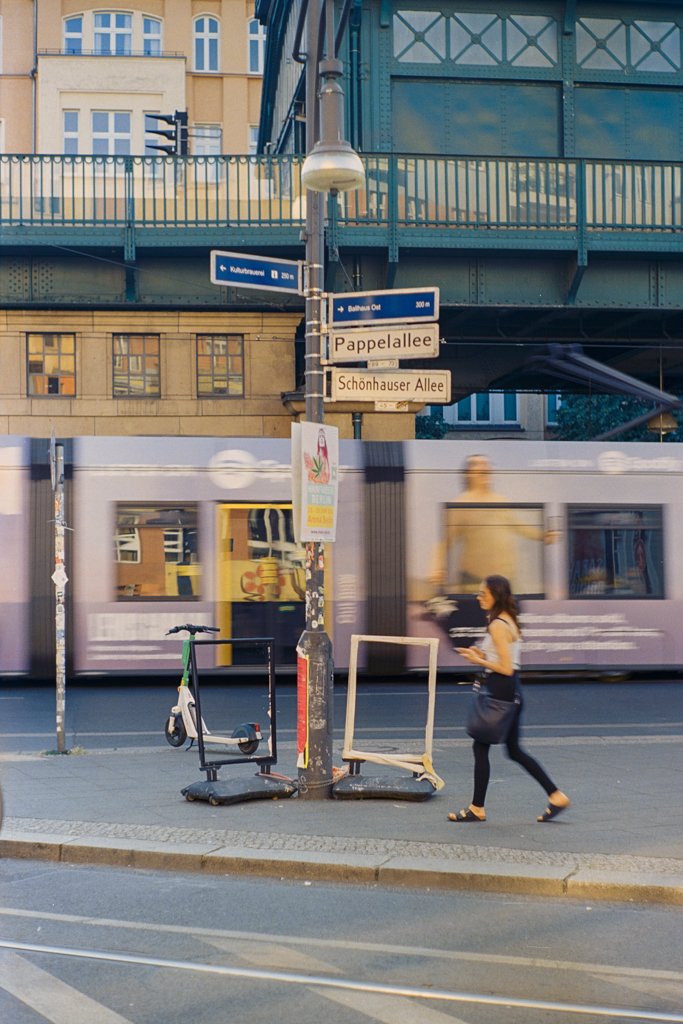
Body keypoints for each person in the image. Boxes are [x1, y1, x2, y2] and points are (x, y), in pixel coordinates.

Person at [448, 574, 570, 823]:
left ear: (496, 595)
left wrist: (477, 660)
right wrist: (478, 652)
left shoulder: (497, 625)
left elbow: (505, 667)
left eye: (484, 594)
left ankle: (477, 808)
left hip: (501, 691)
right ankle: (556, 795)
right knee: (513, 751)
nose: (479, 597)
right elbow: (503, 656)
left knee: (480, 746)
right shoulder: (506, 620)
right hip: (511, 692)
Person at [430, 454, 556, 594]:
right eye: (479, 464)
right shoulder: (460, 505)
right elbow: (444, 543)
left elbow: (519, 527)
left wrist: (543, 536)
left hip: (506, 578)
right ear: (468, 474)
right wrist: (437, 568)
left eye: (487, 465)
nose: (485, 467)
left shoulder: (500, 500)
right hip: (475, 581)